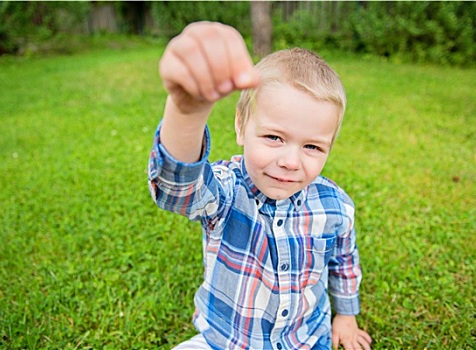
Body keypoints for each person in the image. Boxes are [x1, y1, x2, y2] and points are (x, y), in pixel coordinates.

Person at [148, 21, 372, 350]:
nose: (291, 161)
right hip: (227, 341)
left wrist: (346, 315)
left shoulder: (335, 206)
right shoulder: (226, 191)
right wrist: (187, 112)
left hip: (305, 340)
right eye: (273, 137)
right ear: (241, 127)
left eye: (312, 146)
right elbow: (177, 189)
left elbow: (344, 260)